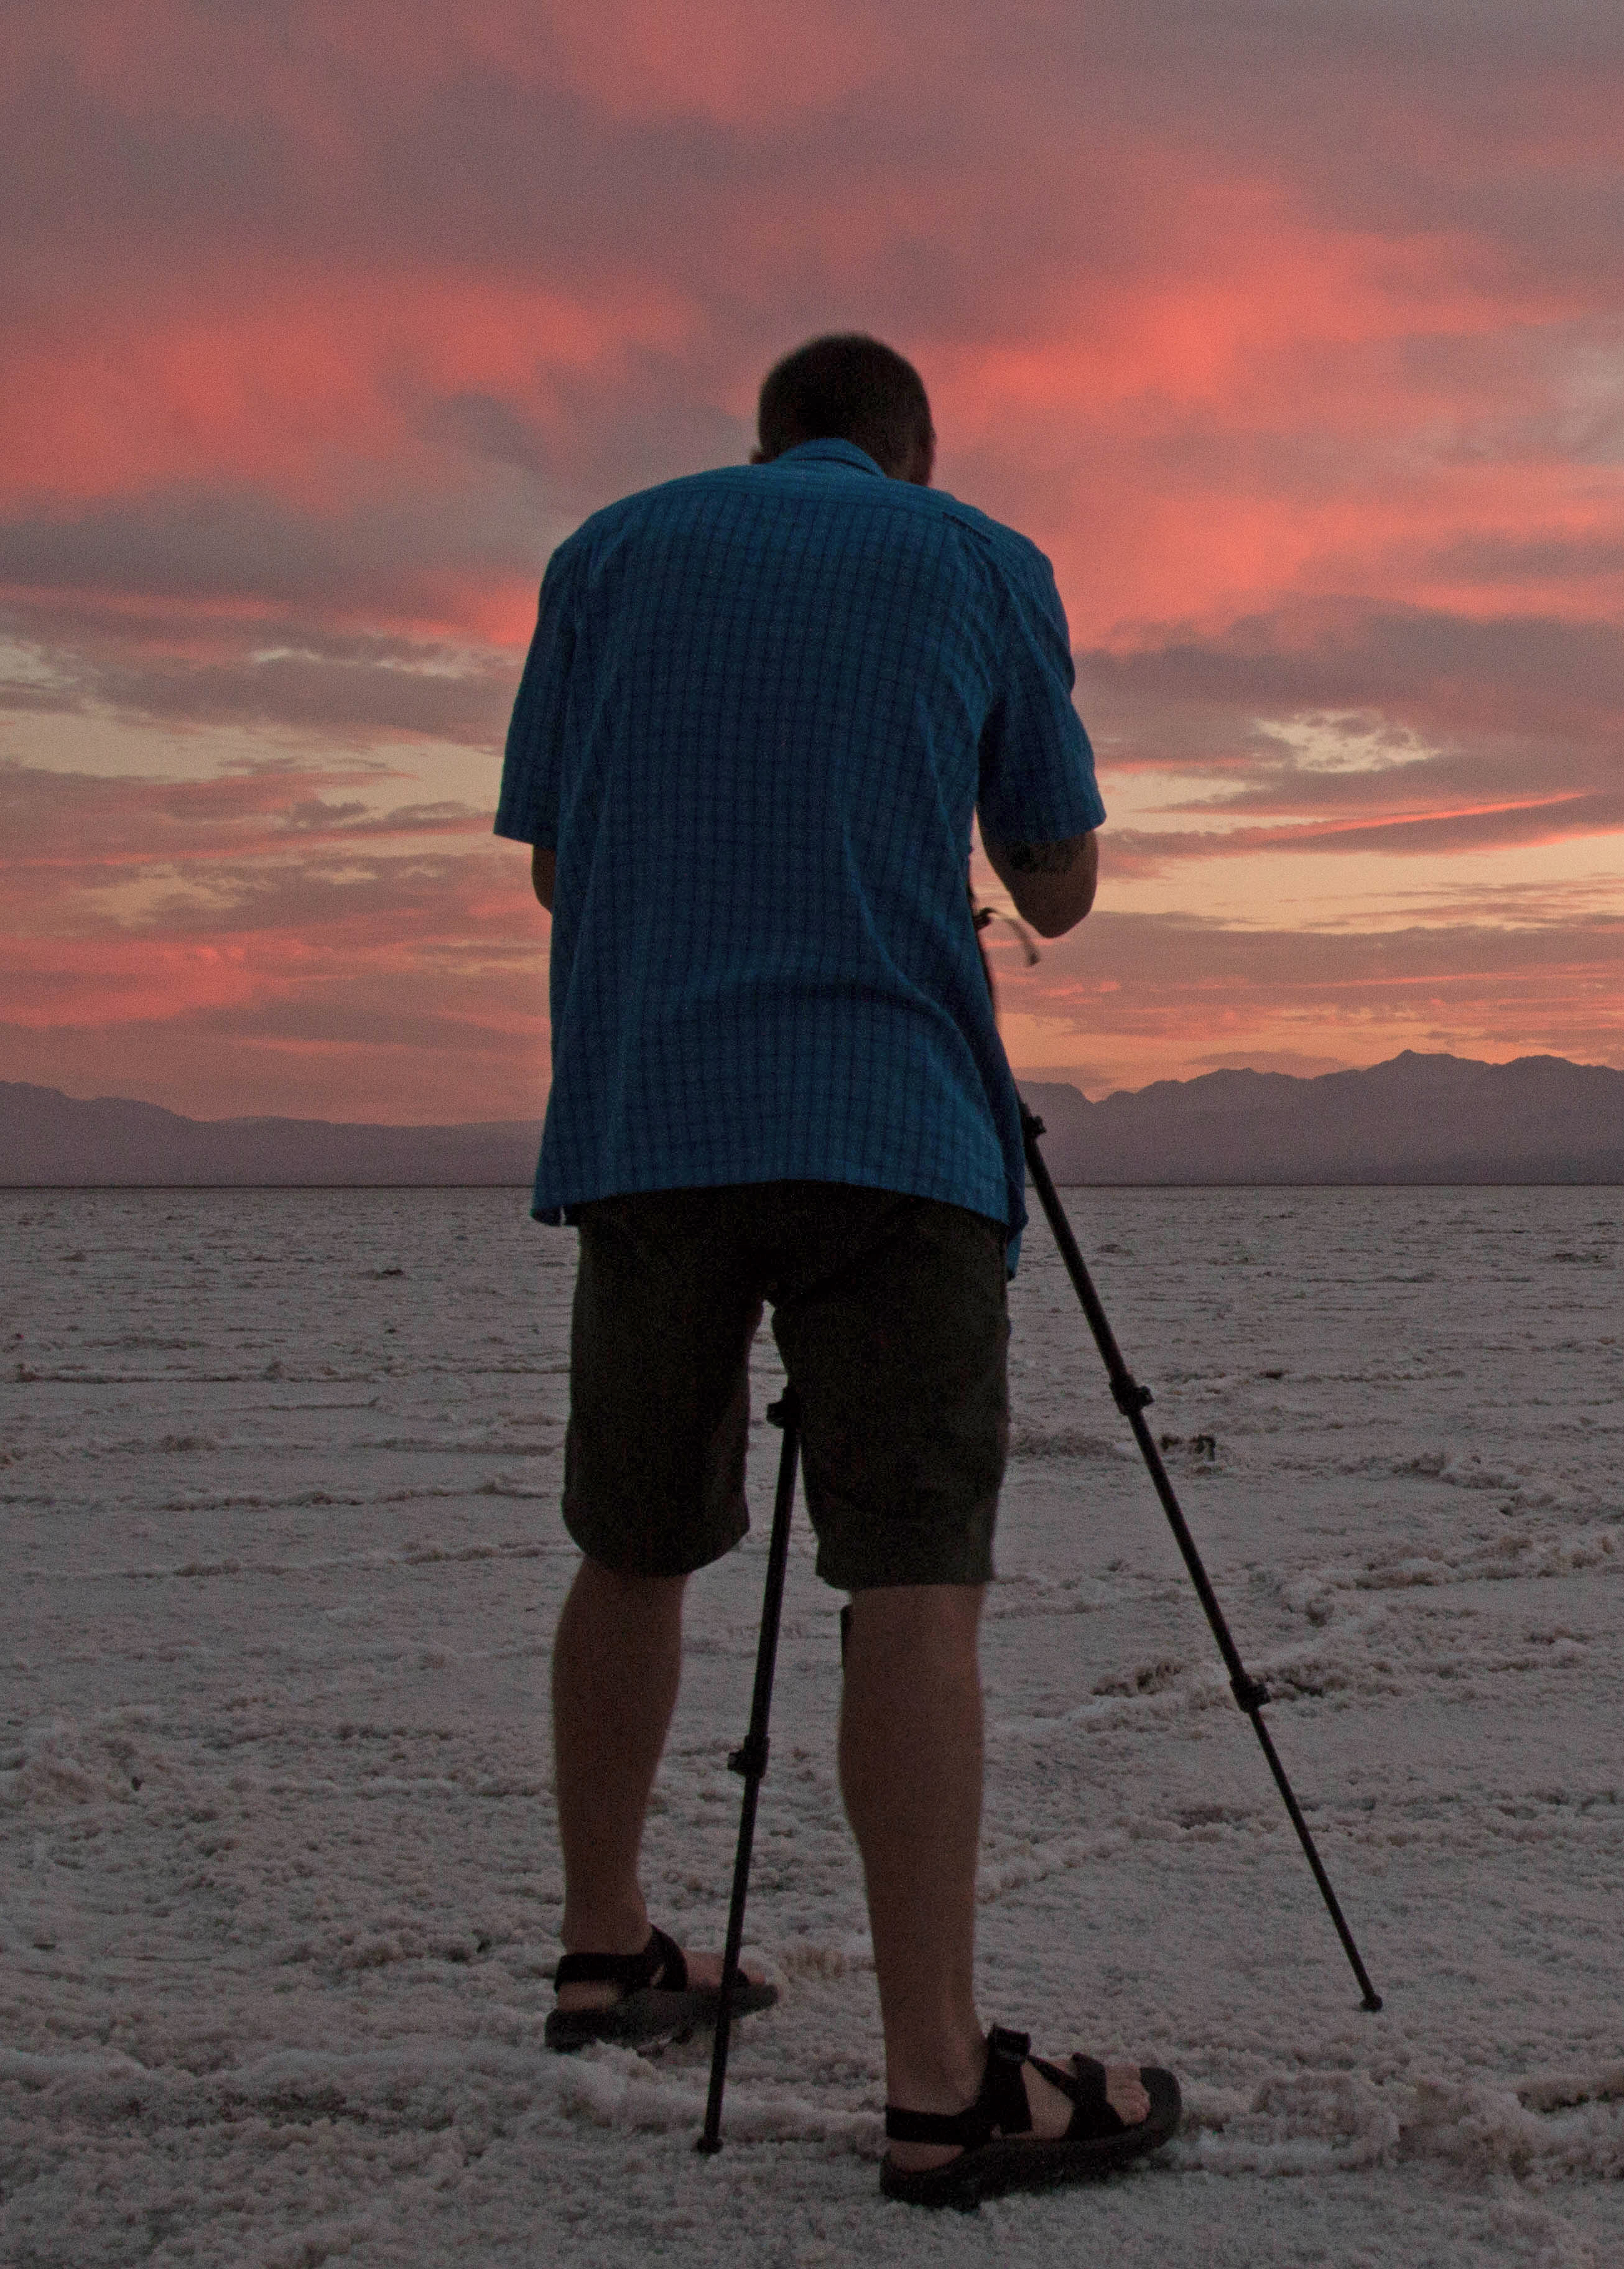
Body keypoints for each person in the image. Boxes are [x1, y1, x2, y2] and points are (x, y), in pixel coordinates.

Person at [495, 333, 1175, 2207]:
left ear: (767, 437)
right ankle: (940, 2086)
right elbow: (1058, 885)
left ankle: (607, 1943)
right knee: (914, 1584)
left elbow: (560, 871)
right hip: (894, 1133)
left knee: (630, 1539)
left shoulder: (606, 555)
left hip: (652, 1117)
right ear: (912, 452)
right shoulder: (977, 562)